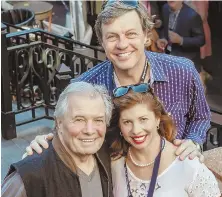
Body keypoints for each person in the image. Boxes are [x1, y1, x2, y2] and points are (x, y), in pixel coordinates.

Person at [25, 0, 210, 161]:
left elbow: (200, 117)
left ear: (146, 36)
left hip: (174, 179)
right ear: (102, 42)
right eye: (112, 37)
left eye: (130, 34)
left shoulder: (182, 71)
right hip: (116, 190)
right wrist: (44, 145)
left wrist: (194, 141)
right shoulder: (85, 87)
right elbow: (65, 134)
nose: (122, 44)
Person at [157, 1, 205, 73]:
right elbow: (165, 28)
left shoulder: (192, 16)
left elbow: (201, 40)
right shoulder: (165, 8)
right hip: (168, 55)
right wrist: (163, 38)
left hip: (186, 61)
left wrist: (181, 40)